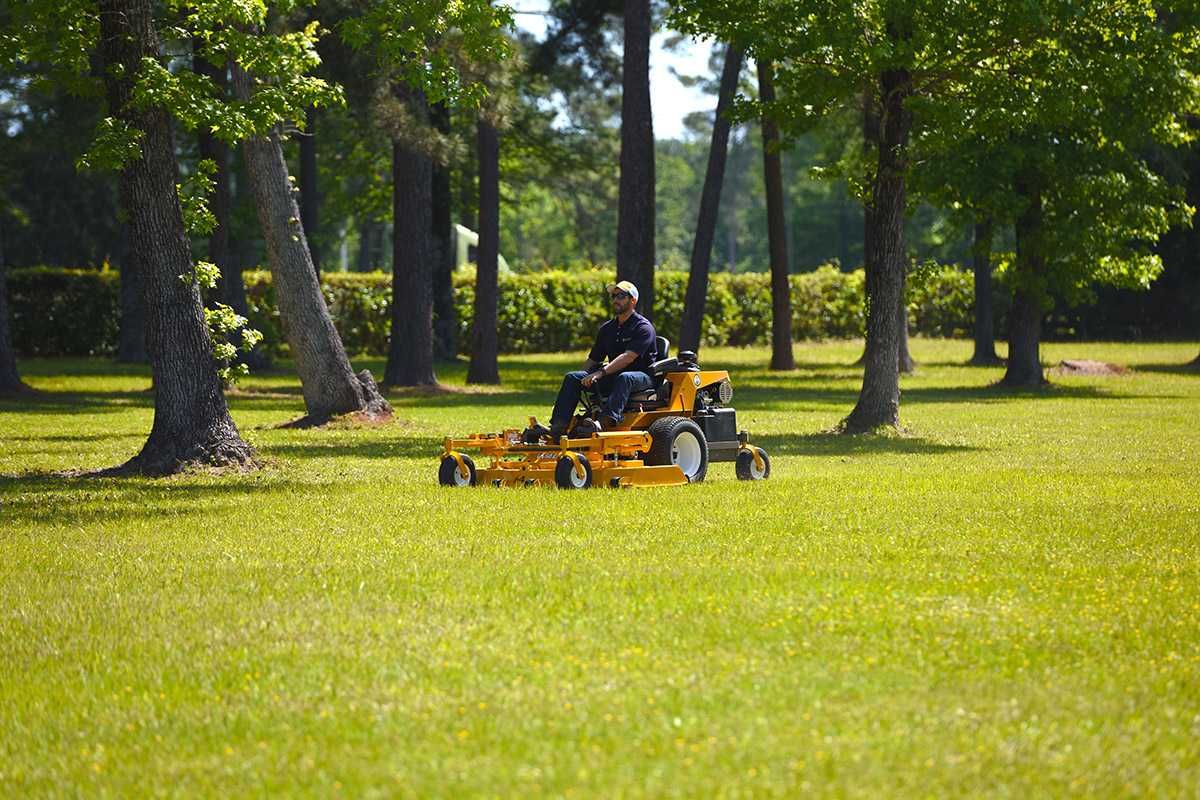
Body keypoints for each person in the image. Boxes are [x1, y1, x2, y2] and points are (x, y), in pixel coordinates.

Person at [545, 280, 658, 440]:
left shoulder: (643, 327)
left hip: (643, 377)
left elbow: (628, 358)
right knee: (573, 377)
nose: (615, 300)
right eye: (614, 296)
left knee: (625, 377)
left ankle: (604, 423)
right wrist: (584, 377)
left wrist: (600, 373)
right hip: (614, 375)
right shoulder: (607, 329)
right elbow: (593, 358)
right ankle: (558, 427)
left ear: (633, 301)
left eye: (621, 296)